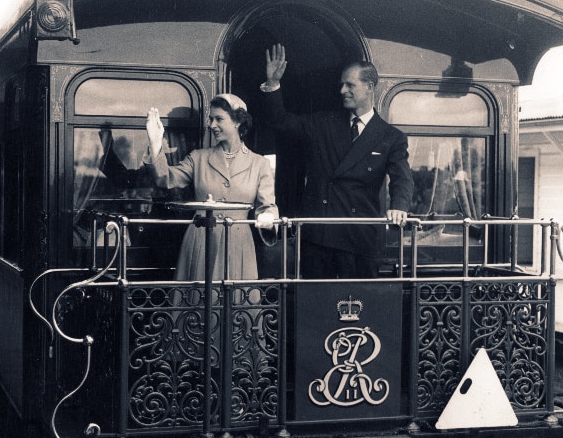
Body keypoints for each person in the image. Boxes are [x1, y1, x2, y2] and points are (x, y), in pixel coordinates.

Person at [260, 43, 413, 279]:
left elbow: (402, 178)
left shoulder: (391, 137)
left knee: (357, 308)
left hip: (359, 241)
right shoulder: (324, 123)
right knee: (315, 307)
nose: (342, 90)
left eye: (350, 85)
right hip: (318, 238)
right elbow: (281, 121)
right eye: (342, 84)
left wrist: (399, 207)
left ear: (369, 86)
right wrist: (273, 84)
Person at [145, 94, 278, 281]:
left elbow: (267, 206)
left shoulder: (259, 164)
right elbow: (164, 179)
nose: (212, 125)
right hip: (201, 239)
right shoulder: (198, 158)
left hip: (239, 243)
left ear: (238, 122)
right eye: (211, 119)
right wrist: (155, 143)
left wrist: (268, 216)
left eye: (219, 119)